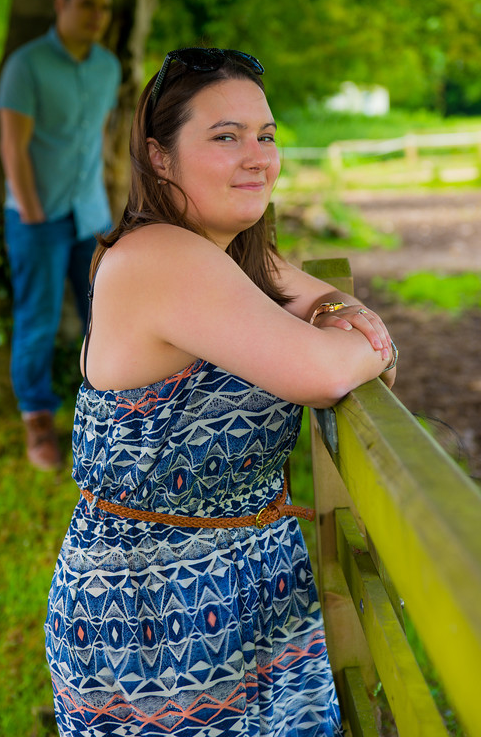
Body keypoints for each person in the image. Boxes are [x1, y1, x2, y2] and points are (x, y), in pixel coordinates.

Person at [45, 47, 397, 736]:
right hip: (155, 616)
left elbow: (327, 304)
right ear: (159, 157)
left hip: (256, 583)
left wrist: (349, 325)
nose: (257, 156)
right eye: (225, 136)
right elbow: (325, 371)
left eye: (265, 136)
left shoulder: (231, 255)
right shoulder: (159, 257)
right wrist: (366, 340)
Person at [0, 0, 121, 470]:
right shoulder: (26, 66)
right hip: (37, 216)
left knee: (106, 314)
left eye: (105, 8)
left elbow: (97, 141)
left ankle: (111, 406)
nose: (98, 16)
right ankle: (37, 418)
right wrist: (31, 214)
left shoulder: (108, 67)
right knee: (39, 320)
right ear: (60, 4)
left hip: (89, 213)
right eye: (87, 4)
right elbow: (13, 145)